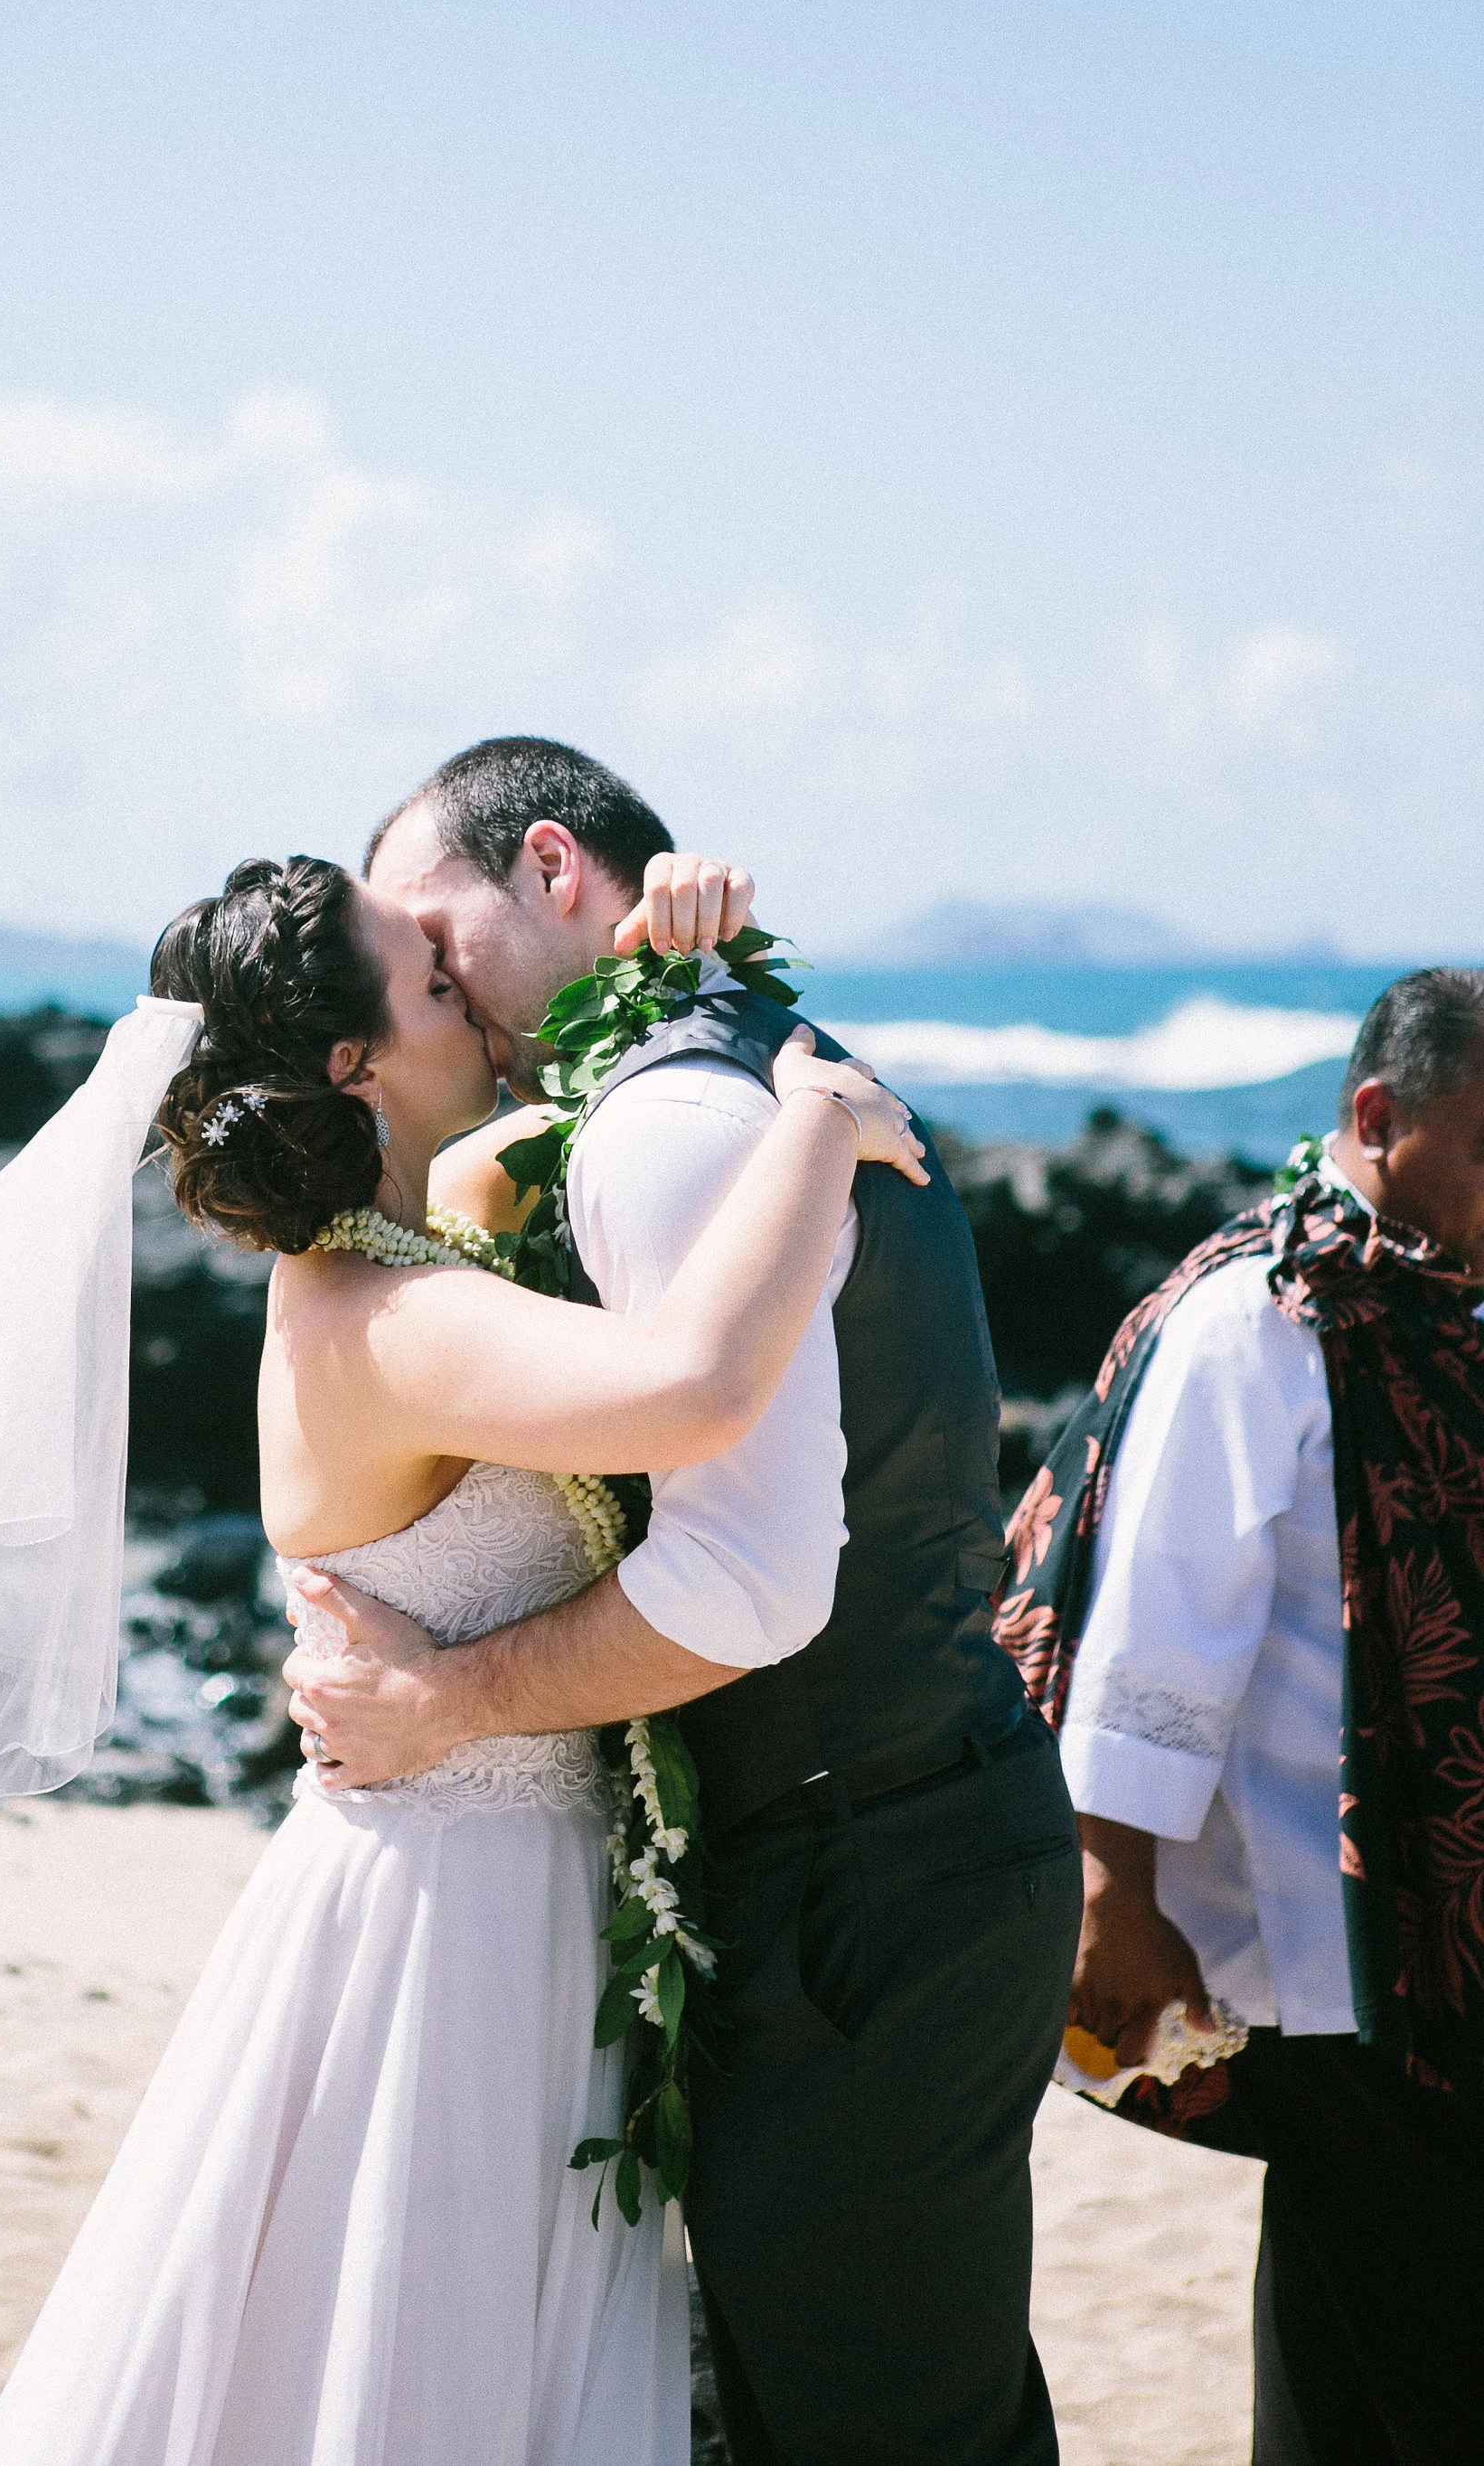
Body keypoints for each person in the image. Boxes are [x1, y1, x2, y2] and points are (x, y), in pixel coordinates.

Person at [0, 849, 927, 2463]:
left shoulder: (430, 1241)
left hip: (500, 1888)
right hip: (451, 1925)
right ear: (354, 1065)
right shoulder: (375, 1317)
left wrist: (674, 942)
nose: (467, 987)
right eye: (427, 981)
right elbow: (695, 1386)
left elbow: (545, 1134)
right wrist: (819, 1122)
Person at [288, 737, 1083, 2466]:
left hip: (865, 1879)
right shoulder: (677, 1075)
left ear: (554, 869)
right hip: (887, 1847)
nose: (431, 975)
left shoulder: (669, 1126)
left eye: (437, 933)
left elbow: (744, 1580)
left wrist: (458, 1696)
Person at [997, 967, 1484, 2466]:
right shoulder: (1259, 1324)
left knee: (1353, 2347)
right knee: (1438, 2356)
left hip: (1454, 1930)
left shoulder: (1450, 1299)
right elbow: (1157, 1627)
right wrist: (1111, 1886)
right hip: (1341, 1937)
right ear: (1377, 1119)